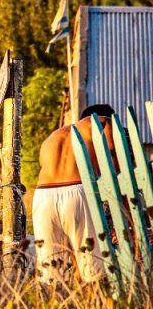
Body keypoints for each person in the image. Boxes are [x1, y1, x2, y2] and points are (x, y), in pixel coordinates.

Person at [32, 104, 114, 285]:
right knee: (93, 268)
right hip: (76, 191)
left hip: (42, 197)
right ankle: (96, 307)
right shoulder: (102, 122)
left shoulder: (52, 137)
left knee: (51, 271)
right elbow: (111, 153)